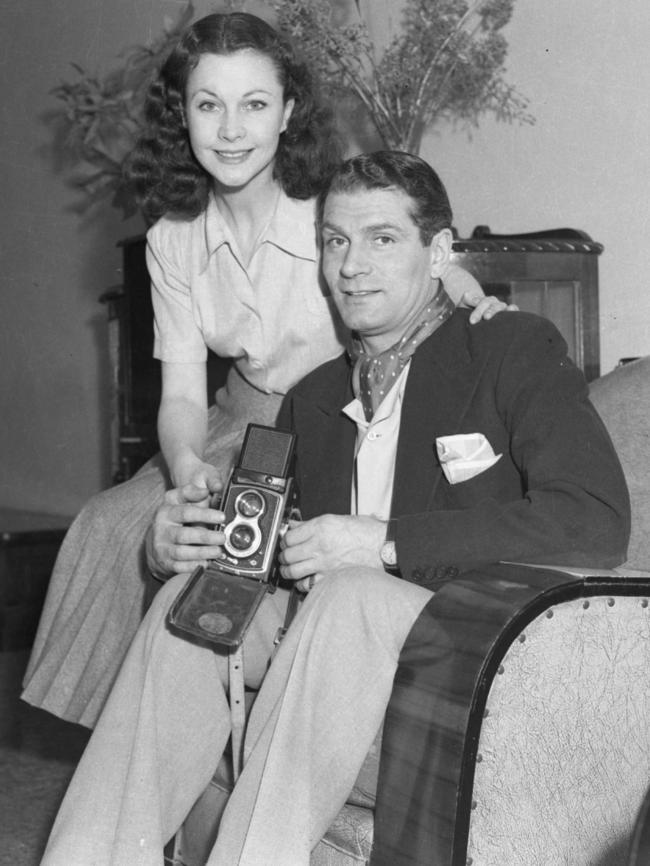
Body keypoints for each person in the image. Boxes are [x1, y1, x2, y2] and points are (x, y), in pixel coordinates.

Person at [41, 150, 629, 866]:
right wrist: (181, 541)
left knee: (351, 591)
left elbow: (595, 518)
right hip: (332, 631)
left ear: (438, 252)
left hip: (464, 634)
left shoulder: (508, 348)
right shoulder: (313, 397)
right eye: (335, 241)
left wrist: (381, 543)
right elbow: (258, 548)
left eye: (382, 239)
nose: (351, 265)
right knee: (193, 607)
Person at [21, 12, 503, 729]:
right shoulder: (171, 238)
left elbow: (422, 266)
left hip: (335, 419)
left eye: (254, 104)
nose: (230, 129)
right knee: (112, 525)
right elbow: (181, 391)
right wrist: (185, 469)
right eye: (207, 105)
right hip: (240, 419)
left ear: (289, 112)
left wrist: (464, 288)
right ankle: (125, 738)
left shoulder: (325, 209)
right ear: (179, 116)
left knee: (230, 560)